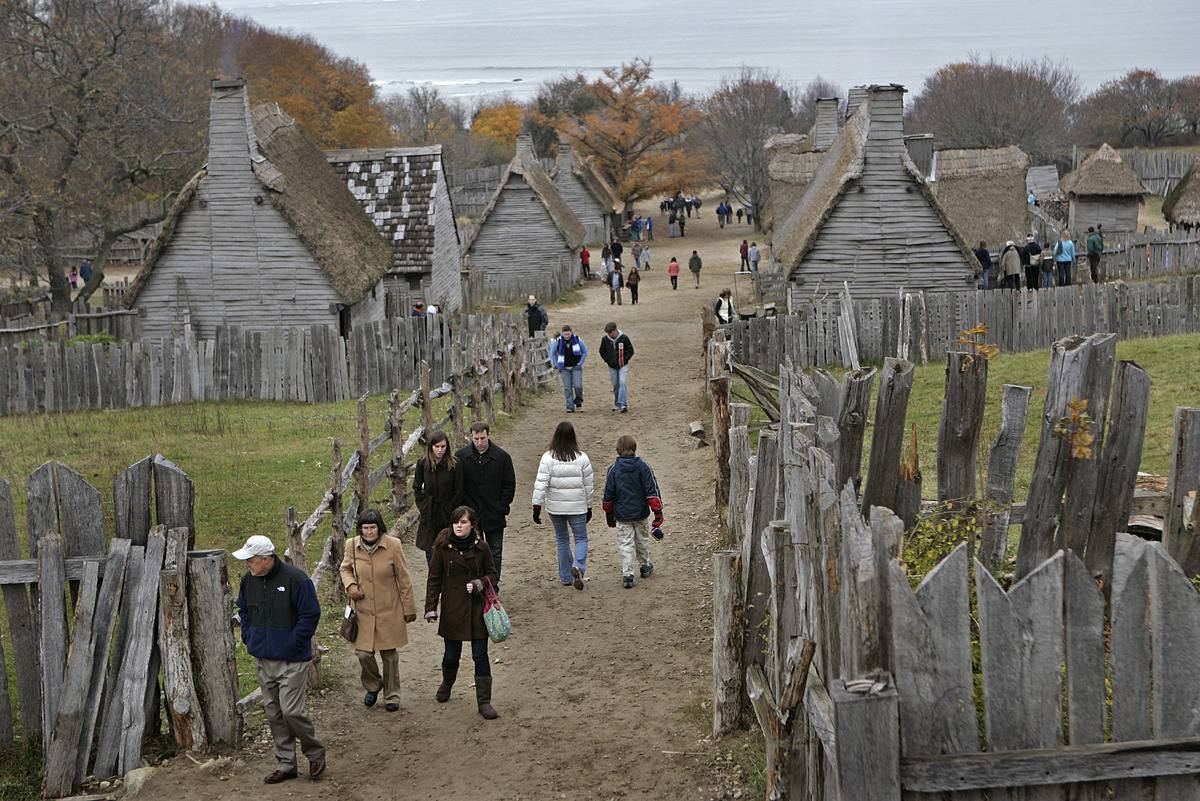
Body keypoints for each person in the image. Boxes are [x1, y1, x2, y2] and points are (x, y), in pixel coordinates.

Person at [233, 535, 325, 784]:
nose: (247, 565)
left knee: (292, 711)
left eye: (250, 561)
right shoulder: (248, 581)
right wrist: (248, 636)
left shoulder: (296, 580)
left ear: (266, 559)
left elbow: (310, 614)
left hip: (292, 660)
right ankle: (286, 764)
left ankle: (315, 753)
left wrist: (294, 643)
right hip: (264, 658)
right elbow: (244, 610)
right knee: (273, 713)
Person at [424, 505, 500, 719]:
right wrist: (431, 607)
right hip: (453, 609)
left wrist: (479, 583)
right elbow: (434, 579)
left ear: (472, 525)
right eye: (456, 522)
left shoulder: (482, 548)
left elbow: (492, 575)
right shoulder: (441, 548)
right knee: (451, 655)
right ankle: (447, 683)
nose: (459, 526)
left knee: (480, 655)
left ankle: (484, 701)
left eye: (464, 522)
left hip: (477, 609)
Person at [339, 510, 417, 713]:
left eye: (372, 527)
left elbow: (404, 579)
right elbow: (344, 569)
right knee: (363, 654)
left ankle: (392, 695)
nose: (369, 532)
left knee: (390, 655)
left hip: (388, 609)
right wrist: (351, 586)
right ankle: (373, 685)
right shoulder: (352, 546)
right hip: (362, 611)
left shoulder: (393, 545)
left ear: (379, 527)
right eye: (365, 528)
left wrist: (408, 608)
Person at [531, 422, 595, 590]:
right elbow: (589, 486)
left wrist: (536, 506)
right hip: (577, 506)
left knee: (562, 539)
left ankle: (566, 576)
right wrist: (589, 506)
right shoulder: (582, 458)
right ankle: (578, 566)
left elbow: (541, 484)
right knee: (580, 538)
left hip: (555, 507)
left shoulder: (547, 458)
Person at [455, 422, 516, 588]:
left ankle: (493, 586)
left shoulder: (502, 457)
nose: (480, 442)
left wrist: (502, 506)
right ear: (471, 437)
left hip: (494, 512)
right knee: (473, 551)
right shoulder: (461, 457)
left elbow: (509, 484)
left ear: (488, 435)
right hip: (471, 514)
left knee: (495, 551)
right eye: (476, 438)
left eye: (482, 438)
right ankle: (477, 585)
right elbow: (458, 485)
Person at [602, 435, 664, 589]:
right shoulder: (644, 467)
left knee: (625, 543)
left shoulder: (613, 470)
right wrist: (658, 513)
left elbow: (608, 495)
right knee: (642, 540)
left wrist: (609, 514)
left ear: (618, 450)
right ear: (634, 449)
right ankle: (645, 566)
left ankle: (628, 574)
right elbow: (652, 492)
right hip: (641, 513)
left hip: (622, 515)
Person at [413, 430, 464, 564]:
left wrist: (452, 510)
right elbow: (417, 487)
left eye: (443, 446)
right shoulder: (423, 464)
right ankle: (435, 582)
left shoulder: (455, 465)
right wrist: (423, 506)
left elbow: (459, 490)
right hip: (430, 513)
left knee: (449, 550)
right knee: (431, 552)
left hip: (448, 513)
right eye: (437, 447)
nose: (440, 450)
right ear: (431, 447)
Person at [549, 325, 587, 412]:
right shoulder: (557, 342)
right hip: (564, 368)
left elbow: (585, 352)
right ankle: (569, 406)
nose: (567, 336)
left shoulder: (577, 340)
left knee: (578, 386)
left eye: (568, 334)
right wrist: (557, 364)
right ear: (562, 334)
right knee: (567, 388)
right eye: (565, 334)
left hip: (576, 366)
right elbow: (552, 353)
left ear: (571, 333)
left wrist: (580, 362)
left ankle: (578, 401)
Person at [599, 321, 634, 413]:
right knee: (616, 385)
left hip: (623, 365)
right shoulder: (605, 340)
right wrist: (608, 361)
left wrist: (624, 360)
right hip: (612, 367)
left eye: (610, 332)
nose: (609, 335)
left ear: (615, 330)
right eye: (608, 333)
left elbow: (630, 351)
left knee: (622, 383)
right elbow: (602, 351)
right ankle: (617, 404)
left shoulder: (624, 338)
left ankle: (623, 404)